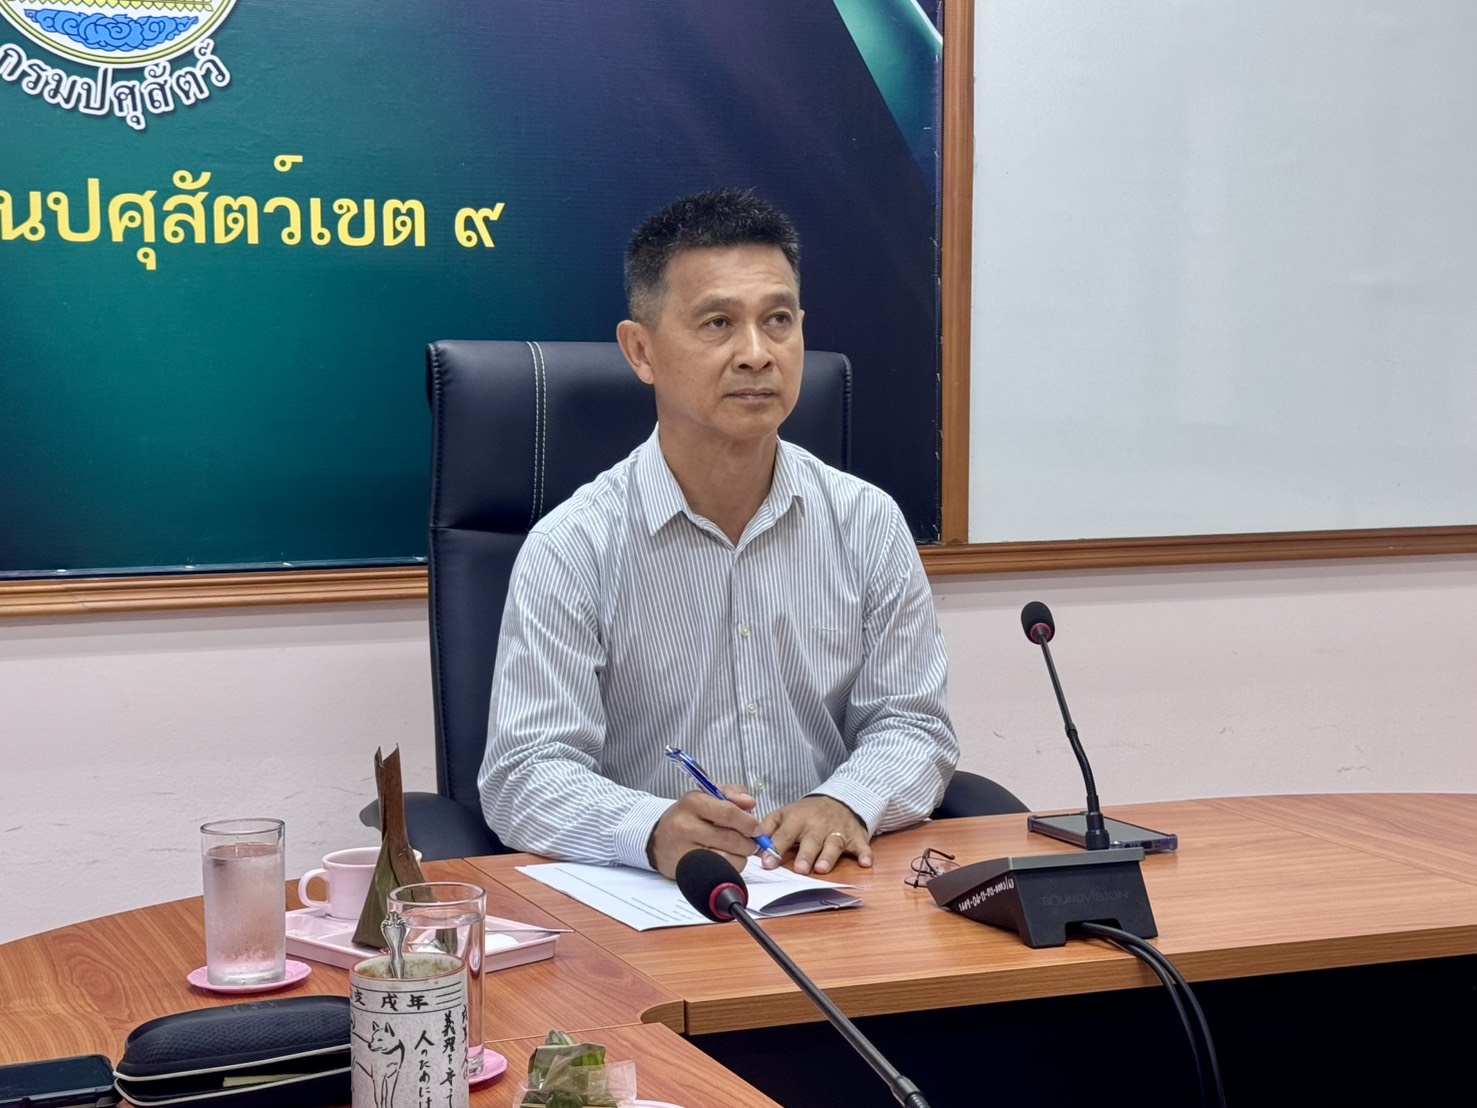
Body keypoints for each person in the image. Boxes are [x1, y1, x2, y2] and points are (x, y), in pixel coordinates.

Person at [477, 189, 958, 880]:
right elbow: (524, 773)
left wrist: (845, 800)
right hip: (658, 899)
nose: (756, 354)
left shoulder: (866, 523)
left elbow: (913, 724)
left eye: (778, 320)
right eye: (717, 323)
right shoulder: (573, 548)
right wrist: (652, 829)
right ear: (640, 351)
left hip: (830, 887)